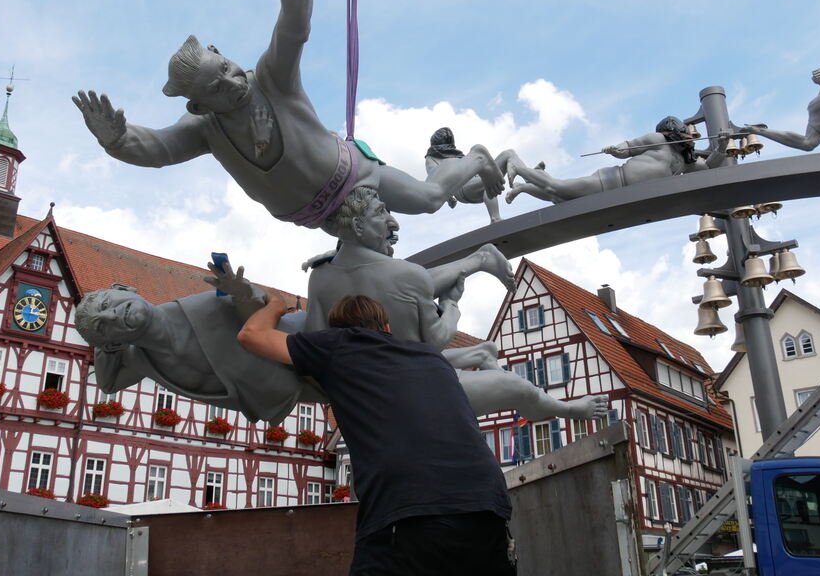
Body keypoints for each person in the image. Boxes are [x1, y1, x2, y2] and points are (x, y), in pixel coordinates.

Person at [73, 0, 504, 230]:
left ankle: (478, 159)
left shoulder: (271, 78)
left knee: (427, 201)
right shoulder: (204, 130)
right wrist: (117, 139)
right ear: (199, 106)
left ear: (224, 54)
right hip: (319, 217)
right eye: (218, 88)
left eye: (225, 67)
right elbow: (158, 149)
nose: (232, 81)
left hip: (354, 175)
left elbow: (293, 22)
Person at [238, 293, 518, 576]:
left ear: (339, 331)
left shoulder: (338, 345)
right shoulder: (431, 356)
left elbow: (251, 335)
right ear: (386, 328)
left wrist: (275, 305)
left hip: (411, 507)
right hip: (487, 504)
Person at [307, 185, 609, 421]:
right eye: (380, 213)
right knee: (519, 387)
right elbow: (436, 340)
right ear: (358, 226)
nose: (392, 222)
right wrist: (452, 305)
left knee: (416, 327)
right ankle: (567, 409)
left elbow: (316, 349)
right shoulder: (406, 273)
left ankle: (482, 333)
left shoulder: (319, 277)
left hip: (371, 382)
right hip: (417, 386)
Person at [73, 263, 320, 425]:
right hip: (306, 390)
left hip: (316, 343)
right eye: (103, 326)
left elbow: (267, 309)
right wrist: (102, 341)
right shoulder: (142, 361)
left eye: (106, 304)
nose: (111, 315)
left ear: (125, 288)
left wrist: (246, 294)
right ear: (114, 344)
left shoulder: (208, 306)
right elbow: (108, 384)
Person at [504, 116, 727, 205]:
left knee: (558, 198)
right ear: (673, 130)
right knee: (557, 187)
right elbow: (628, 147)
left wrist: (723, 146)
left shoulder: (684, 162)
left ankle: (524, 187)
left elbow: (708, 166)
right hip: (612, 181)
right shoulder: (658, 139)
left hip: (621, 196)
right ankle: (518, 165)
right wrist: (615, 150)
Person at [425, 127, 503, 224]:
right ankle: (495, 217)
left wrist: (448, 198)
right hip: (462, 188)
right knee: (488, 179)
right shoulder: (432, 157)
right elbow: (436, 179)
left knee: (489, 180)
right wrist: (447, 197)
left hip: (468, 184)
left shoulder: (457, 155)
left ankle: (495, 217)